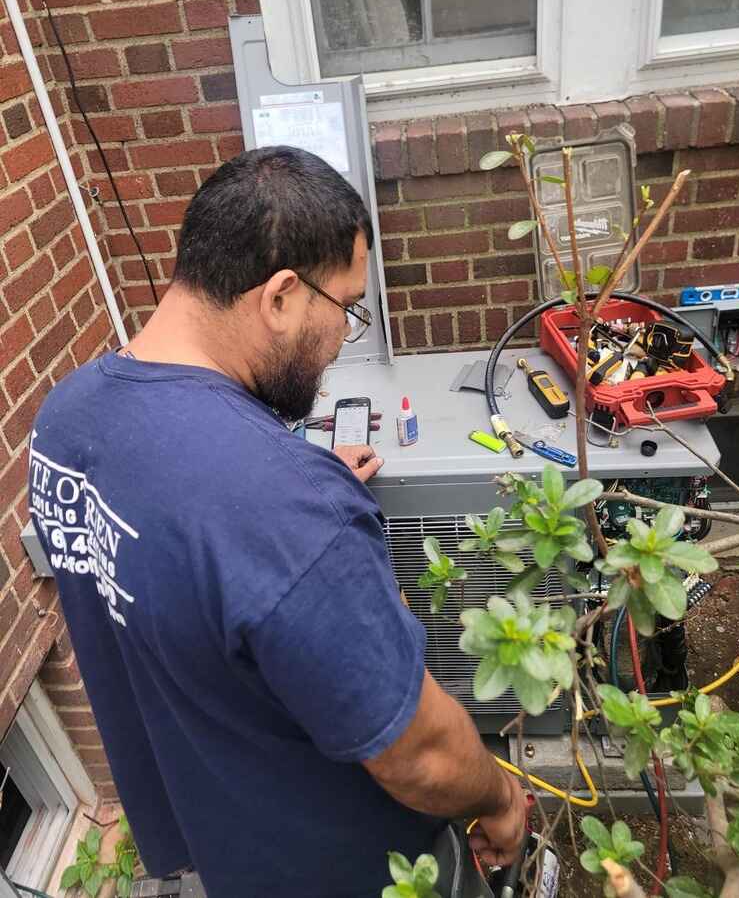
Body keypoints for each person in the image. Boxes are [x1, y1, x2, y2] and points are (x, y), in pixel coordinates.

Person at [28, 147, 526, 898]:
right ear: (284, 295)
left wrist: (295, 471)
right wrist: (502, 796)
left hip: (220, 847)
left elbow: (175, 540)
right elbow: (418, 751)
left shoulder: (64, 421)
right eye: (348, 309)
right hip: (359, 870)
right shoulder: (290, 513)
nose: (342, 340)